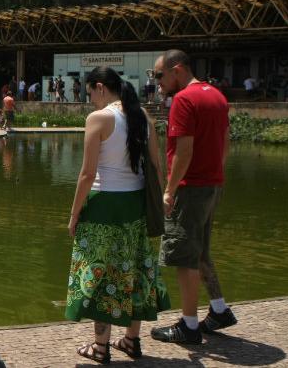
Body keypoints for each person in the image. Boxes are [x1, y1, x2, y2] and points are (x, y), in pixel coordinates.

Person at [66, 66, 171, 363]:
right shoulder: (143, 118)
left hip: (104, 206)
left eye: (91, 94)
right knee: (132, 271)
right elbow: (156, 168)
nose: (92, 101)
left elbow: (87, 174)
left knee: (101, 272)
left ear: (100, 87)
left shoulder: (99, 119)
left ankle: (100, 348)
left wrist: (74, 215)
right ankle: (131, 342)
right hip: (135, 205)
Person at [150, 50, 237, 345]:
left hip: (190, 188)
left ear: (178, 70)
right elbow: (225, 144)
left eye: (159, 75)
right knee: (200, 251)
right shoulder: (216, 96)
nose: (157, 82)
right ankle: (219, 309)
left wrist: (169, 190)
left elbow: (183, 151)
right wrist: (214, 176)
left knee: (183, 256)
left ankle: (188, 326)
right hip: (212, 185)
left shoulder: (185, 100)